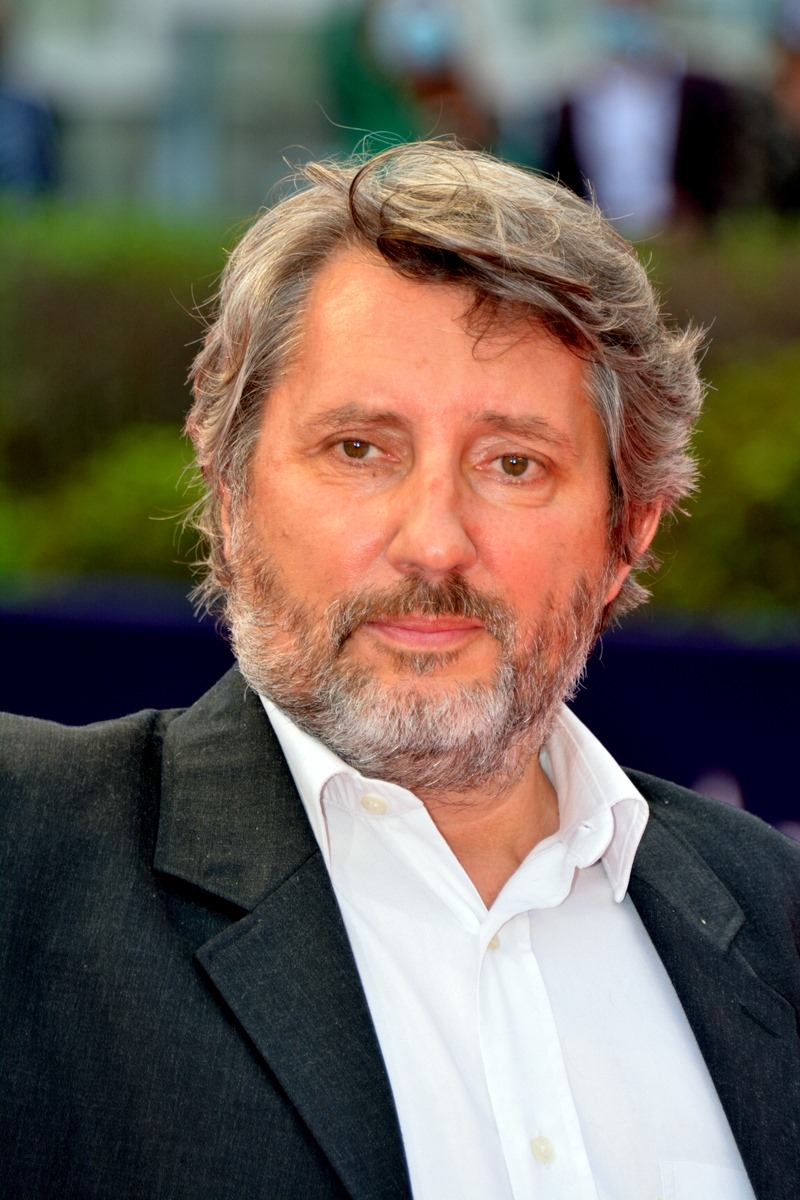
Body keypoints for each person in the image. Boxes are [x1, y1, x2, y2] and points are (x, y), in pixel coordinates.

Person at [2, 141, 798, 1200]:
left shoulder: (774, 921)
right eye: (358, 449)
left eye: (512, 463)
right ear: (228, 492)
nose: (432, 543)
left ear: (628, 531)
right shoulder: (29, 853)